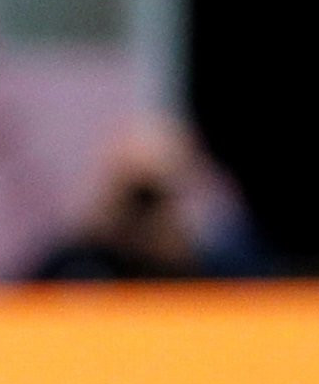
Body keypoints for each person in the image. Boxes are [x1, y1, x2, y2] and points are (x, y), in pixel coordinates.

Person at [24, 118, 214, 282]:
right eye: (135, 196)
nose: (140, 214)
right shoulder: (72, 266)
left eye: (150, 198)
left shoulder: (202, 273)